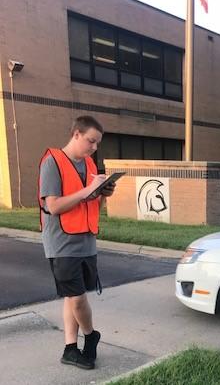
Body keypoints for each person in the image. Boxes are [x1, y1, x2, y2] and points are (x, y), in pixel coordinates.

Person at [38, 115, 116, 370]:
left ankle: (70, 349)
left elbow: (91, 205)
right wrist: (87, 191)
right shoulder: (53, 162)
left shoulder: (91, 166)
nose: (94, 148)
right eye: (91, 141)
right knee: (77, 297)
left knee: (71, 298)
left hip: (86, 240)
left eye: (97, 144)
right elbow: (54, 206)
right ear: (76, 135)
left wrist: (103, 193)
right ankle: (91, 335)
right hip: (62, 243)